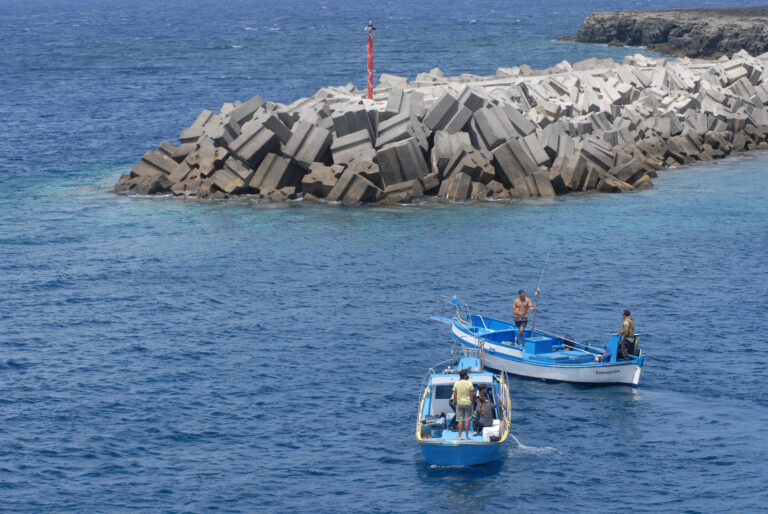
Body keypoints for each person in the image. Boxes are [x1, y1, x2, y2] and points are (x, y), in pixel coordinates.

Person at [450, 370, 474, 440]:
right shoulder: (469, 383)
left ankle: (459, 436)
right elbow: (472, 393)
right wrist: (472, 402)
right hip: (468, 403)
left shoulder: (456, 383)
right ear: (464, 376)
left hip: (459, 403)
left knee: (460, 420)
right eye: (466, 375)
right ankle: (467, 437)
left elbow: (455, 394)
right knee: (467, 420)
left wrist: (456, 402)